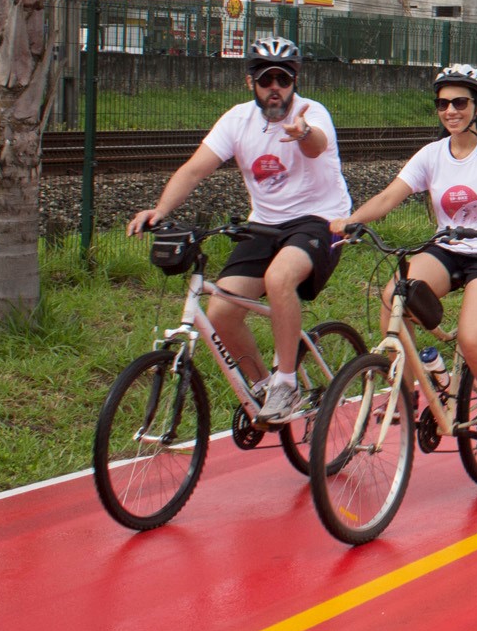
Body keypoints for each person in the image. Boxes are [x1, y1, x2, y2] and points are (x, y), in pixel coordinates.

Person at [331, 66, 477, 454]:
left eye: (459, 102)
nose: (450, 110)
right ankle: (406, 394)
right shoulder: (431, 155)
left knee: (473, 339)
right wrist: (351, 221)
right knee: (394, 297)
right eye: (443, 103)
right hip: (449, 248)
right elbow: (390, 197)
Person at [126, 36, 350, 424]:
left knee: (280, 278)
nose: (275, 88)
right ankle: (263, 386)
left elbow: (316, 145)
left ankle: (286, 382)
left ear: (295, 81)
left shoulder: (311, 113)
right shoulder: (237, 120)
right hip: (264, 224)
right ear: (252, 83)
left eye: (284, 78)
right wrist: (160, 210)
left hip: (321, 220)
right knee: (221, 311)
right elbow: (196, 168)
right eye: (267, 80)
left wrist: (301, 134)